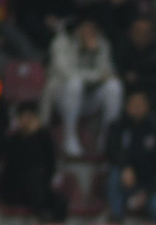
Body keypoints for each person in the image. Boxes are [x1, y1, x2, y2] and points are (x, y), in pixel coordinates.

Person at [42, 18, 124, 158]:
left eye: (93, 29)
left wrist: (94, 52)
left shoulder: (101, 44)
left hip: (87, 98)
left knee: (114, 86)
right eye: (86, 28)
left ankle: (107, 138)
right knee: (75, 83)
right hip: (61, 98)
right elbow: (66, 73)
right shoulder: (62, 42)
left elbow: (107, 73)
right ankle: (69, 137)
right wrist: (96, 77)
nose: (89, 32)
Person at [105, 91, 156, 222]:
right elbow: (112, 152)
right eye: (133, 104)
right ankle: (116, 220)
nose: (137, 108)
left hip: (148, 186)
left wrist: (146, 192)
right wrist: (125, 167)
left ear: (147, 107)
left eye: (140, 104)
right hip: (125, 181)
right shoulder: (117, 127)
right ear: (126, 106)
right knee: (115, 174)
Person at [0, 103, 66, 222]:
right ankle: (42, 221)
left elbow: (51, 163)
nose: (27, 121)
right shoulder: (13, 140)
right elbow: (13, 165)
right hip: (16, 187)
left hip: (39, 186)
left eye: (30, 117)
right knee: (34, 183)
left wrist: (37, 134)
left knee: (60, 201)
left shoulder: (44, 138)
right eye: (24, 117)